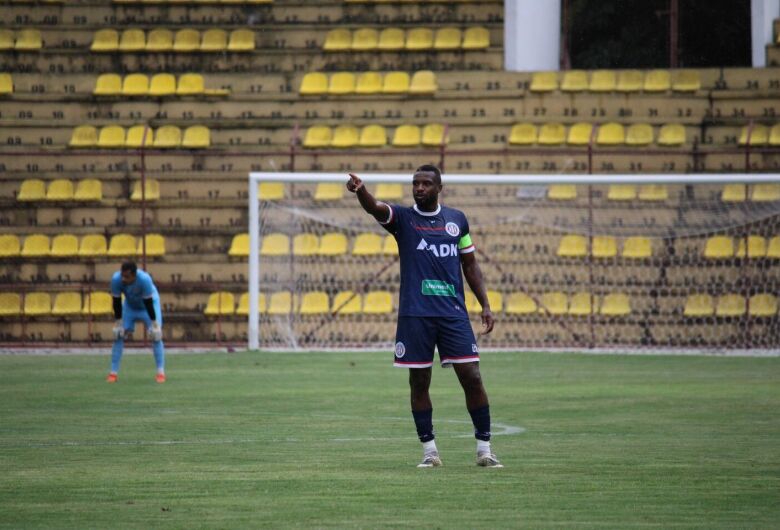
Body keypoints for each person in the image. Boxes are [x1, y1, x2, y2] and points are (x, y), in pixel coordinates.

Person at [346, 165, 501, 468]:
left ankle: (485, 449)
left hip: (453, 314)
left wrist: (485, 304)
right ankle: (430, 452)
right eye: (415, 183)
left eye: (426, 183)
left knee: (472, 376)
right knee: (419, 382)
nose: (419, 188)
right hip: (415, 315)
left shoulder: (457, 220)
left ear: (438, 187)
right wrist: (361, 191)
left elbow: (470, 265)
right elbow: (376, 208)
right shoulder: (403, 219)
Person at [107, 261, 166, 383]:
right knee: (118, 334)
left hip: (148, 306)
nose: (123, 279)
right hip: (130, 306)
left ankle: (160, 372)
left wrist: (154, 324)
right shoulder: (116, 279)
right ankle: (113, 373)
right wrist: (118, 321)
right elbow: (116, 302)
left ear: (134, 275)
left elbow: (149, 303)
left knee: (156, 335)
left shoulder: (144, 280)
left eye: (127, 277)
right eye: (122, 275)